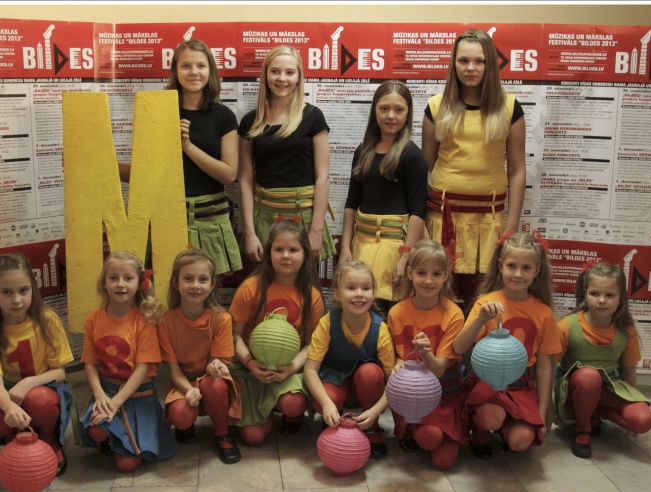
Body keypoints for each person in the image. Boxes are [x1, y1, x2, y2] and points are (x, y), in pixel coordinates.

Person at [422, 28, 527, 313]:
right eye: (464, 60)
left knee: (481, 303)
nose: (471, 68)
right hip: (442, 219)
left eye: (479, 61)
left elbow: (517, 171)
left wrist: (511, 229)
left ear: (490, 64)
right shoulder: (436, 106)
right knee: (439, 300)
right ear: (454, 64)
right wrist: (420, 223)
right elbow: (424, 168)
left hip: (489, 223)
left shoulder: (509, 107)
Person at [119, 39, 241, 274]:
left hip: (209, 220)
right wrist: (100, 166)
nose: (194, 72)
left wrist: (186, 146)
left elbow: (228, 175)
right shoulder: (158, 112)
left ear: (210, 71)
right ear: (175, 71)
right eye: (186, 66)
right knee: (164, 288)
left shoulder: (223, 116)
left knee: (205, 289)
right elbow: (144, 175)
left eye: (200, 66)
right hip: (167, 219)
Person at [453, 231, 561, 459]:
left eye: (526, 268)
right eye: (512, 266)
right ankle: (482, 428)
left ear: (537, 271)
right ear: (500, 266)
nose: (518, 274)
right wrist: (480, 319)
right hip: (487, 384)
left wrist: (542, 412)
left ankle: (507, 425)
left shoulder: (543, 313)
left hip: (522, 386)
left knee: (521, 441)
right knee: (491, 417)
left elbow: (544, 366)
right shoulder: (485, 303)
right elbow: (459, 348)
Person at [0, 251, 73, 477]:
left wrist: (28, 383)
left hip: (45, 388)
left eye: (23, 290)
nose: (16, 300)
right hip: (8, 392)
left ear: (32, 288)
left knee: (39, 399)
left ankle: (50, 440)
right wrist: (9, 407)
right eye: (6, 292)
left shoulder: (47, 320)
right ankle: (13, 438)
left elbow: (59, 373)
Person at [229, 218, 325, 445]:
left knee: (293, 404)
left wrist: (291, 368)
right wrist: (250, 363)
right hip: (251, 369)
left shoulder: (312, 296)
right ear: (268, 253)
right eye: (279, 249)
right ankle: (264, 411)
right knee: (253, 438)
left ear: (305, 254)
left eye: (293, 250)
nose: (286, 256)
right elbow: (233, 335)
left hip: (288, 369)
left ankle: (290, 415)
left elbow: (312, 344)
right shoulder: (251, 287)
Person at [79, 251, 177, 472]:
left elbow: (142, 368)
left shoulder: (145, 320)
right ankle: (112, 438)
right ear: (104, 283)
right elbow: (90, 364)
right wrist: (100, 396)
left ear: (139, 282)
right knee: (95, 431)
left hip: (138, 397)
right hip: (107, 392)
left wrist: (116, 403)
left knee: (126, 465)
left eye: (128, 278)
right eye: (113, 278)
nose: (120, 284)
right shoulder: (93, 319)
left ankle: (125, 440)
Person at [339, 80, 428, 318]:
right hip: (362, 245)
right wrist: (346, 248)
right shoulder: (363, 151)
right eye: (384, 108)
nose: (391, 116)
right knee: (359, 310)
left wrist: (405, 257)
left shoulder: (412, 155)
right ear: (375, 111)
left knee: (388, 313)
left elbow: (418, 211)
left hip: (394, 249)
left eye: (399, 110)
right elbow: (351, 203)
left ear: (408, 114)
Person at [238, 45, 335, 263]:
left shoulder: (313, 117)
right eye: (275, 71)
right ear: (266, 75)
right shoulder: (250, 122)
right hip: (265, 216)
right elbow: (245, 181)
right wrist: (250, 233)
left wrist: (316, 231)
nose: (282, 78)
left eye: (289, 72)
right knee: (266, 281)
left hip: (305, 217)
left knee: (304, 281)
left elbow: (323, 177)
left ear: (299, 77)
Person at [553, 262, 651, 459]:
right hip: (575, 389)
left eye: (609, 295)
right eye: (595, 294)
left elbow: (629, 372)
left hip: (609, 388)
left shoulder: (627, 331)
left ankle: (595, 413)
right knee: (589, 376)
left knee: (643, 420)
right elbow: (548, 369)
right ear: (585, 293)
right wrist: (549, 407)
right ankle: (583, 429)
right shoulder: (567, 325)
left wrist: (632, 399)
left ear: (620, 298)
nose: (601, 301)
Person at [386, 239, 468, 470]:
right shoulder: (397, 312)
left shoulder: (454, 314)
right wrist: (398, 363)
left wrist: (425, 354)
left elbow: (439, 369)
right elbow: (399, 355)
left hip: (446, 390)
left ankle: (437, 429)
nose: (429, 281)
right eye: (422, 273)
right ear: (410, 273)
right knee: (429, 437)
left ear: (446, 275)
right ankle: (410, 429)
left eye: (436, 274)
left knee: (444, 462)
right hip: (412, 393)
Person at [157, 248, 244, 464]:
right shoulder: (166, 321)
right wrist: (189, 391)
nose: (195, 285)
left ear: (212, 284)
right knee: (180, 415)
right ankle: (186, 426)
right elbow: (174, 372)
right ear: (176, 282)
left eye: (202, 279)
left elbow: (216, 363)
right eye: (188, 278)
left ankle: (222, 434)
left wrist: (214, 368)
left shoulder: (221, 319)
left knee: (213, 383)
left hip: (213, 381)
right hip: (183, 382)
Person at [304, 261, 397, 458]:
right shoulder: (327, 323)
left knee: (371, 372)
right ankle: (333, 419)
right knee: (324, 400)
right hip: (335, 380)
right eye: (351, 288)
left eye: (366, 288)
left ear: (374, 293)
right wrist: (327, 404)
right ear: (337, 293)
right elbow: (310, 370)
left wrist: (376, 411)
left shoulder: (380, 329)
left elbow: (393, 382)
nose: (359, 294)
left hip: (365, 385)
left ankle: (371, 427)